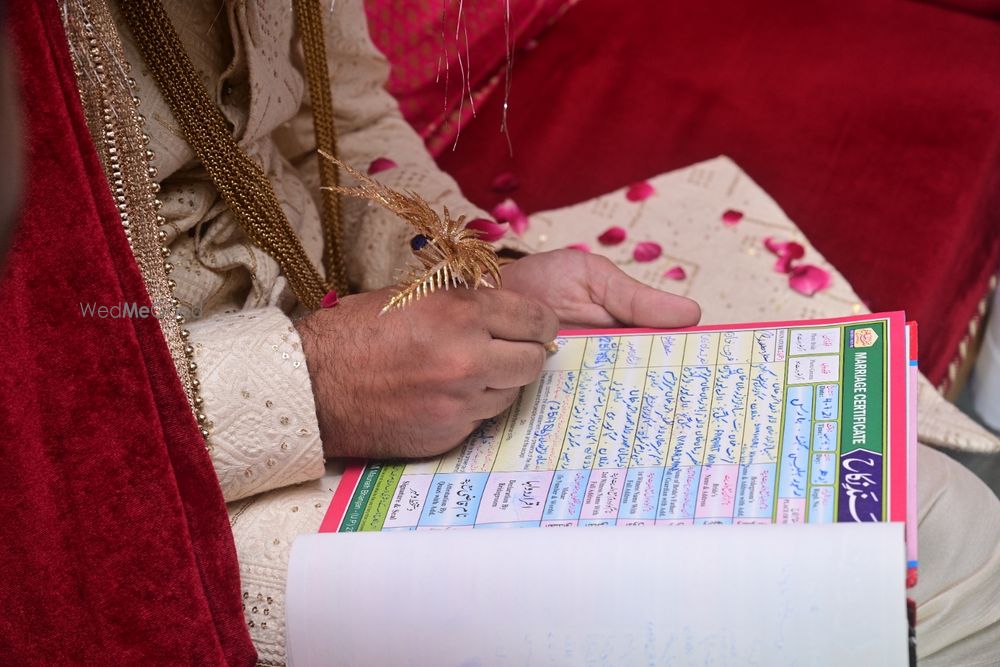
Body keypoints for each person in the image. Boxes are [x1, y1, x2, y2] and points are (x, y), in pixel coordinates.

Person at [2, 1, 997, 665]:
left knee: (919, 511)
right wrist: (308, 380)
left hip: (340, 335)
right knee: (924, 576)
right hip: (132, 490)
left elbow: (337, 113)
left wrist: (476, 272)